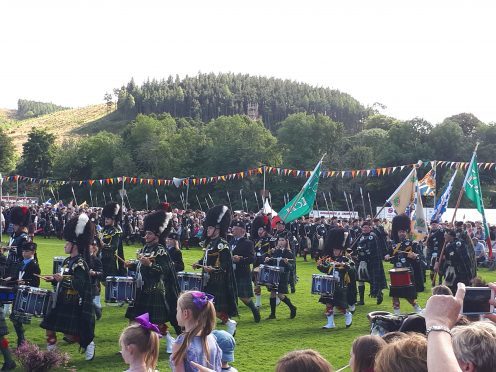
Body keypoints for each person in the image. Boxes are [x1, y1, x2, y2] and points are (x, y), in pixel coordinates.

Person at [40, 213, 96, 361]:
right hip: (61, 299)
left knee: (70, 334)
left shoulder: (80, 264)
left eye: (67, 243)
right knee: (49, 326)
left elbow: (80, 284)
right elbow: (63, 278)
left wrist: (62, 280)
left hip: (72, 302)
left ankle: (88, 343)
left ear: (75, 245)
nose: (65, 245)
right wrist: (53, 279)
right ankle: (51, 355)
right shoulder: (66, 261)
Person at [125, 210, 181, 339]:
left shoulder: (161, 251)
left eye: (149, 233)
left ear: (157, 235)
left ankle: (169, 340)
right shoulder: (145, 248)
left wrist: (149, 265)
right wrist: (132, 264)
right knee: (133, 319)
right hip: (141, 290)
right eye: (146, 233)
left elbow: (164, 270)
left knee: (155, 323)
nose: (146, 236)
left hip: (154, 291)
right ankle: (129, 344)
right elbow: (141, 265)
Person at [192, 206, 238, 335]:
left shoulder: (222, 244)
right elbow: (206, 258)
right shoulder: (210, 243)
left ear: (218, 229)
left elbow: (226, 265)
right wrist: (199, 263)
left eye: (211, 228)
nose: (208, 230)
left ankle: (229, 323)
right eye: (208, 227)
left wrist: (213, 270)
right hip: (207, 279)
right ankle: (208, 329)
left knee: (212, 307)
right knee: (205, 307)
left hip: (217, 280)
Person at [170, 291, 222, 372]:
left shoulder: (181, 343)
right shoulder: (211, 338)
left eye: (177, 310)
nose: (176, 313)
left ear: (185, 313)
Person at [384, 214, 425, 315]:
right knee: (395, 293)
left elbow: (420, 258)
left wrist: (415, 256)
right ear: (397, 233)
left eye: (403, 232)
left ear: (406, 233)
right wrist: (386, 256)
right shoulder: (393, 244)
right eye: (399, 232)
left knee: (407, 294)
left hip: (408, 271)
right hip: (395, 272)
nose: (401, 233)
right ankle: (396, 314)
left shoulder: (412, 244)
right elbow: (388, 254)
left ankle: (417, 308)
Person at [317, 228, 354, 329]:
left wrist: (342, 264)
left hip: (340, 285)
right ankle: (330, 323)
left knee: (339, 305)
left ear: (341, 250)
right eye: (334, 250)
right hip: (329, 285)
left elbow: (351, 268)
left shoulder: (346, 259)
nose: (334, 251)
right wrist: (320, 266)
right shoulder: (330, 259)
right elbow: (326, 270)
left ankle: (348, 314)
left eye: (336, 250)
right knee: (328, 304)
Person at [9, 242, 40, 347]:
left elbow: (36, 283)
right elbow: (16, 276)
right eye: (23, 251)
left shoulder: (34, 265)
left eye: (26, 251)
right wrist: (10, 279)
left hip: (25, 295)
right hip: (17, 293)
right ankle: (21, 342)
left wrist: (26, 283)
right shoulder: (21, 262)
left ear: (33, 252)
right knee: (14, 317)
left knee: (16, 317)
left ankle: (21, 342)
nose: (24, 253)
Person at [229, 220, 260, 323]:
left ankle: (254, 310)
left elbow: (252, 259)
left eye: (235, 228)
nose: (232, 229)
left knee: (243, 297)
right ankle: (229, 317)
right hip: (230, 272)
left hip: (242, 272)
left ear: (242, 231)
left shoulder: (248, 243)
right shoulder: (230, 241)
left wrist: (241, 259)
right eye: (232, 227)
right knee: (230, 294)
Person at [354, 221, 387, 306]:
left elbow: (368, 243)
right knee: (360, 280)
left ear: (370, 228)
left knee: (373, 280)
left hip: (372, 261)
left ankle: (379, 293)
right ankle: (361, 300)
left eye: (366, 227)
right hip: (361, 261)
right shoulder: (359, 236)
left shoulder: (373, 236)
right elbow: (355, 246)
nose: (364, 229)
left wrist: (361, 245)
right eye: (363, 227)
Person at [265, 237, 297, 320]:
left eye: (283, 240)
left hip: (283, 275)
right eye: (279, 240)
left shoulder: (289, 253)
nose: (281, 242)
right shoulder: (276, 251)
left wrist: (287, 263)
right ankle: (272, 314)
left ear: (286, 242)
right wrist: (268, 260)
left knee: (280, 295)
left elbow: (292, 268)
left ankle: (292, 307)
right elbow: (273, 262)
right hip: (274, 274)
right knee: (272, 293)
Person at [436, 230, 475, 294]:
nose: (444, 236)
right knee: (448, 286)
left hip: (458, 270)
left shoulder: (458, 244)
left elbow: (460, 258)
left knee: (454, 286)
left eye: (446, 235)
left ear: (450, 235)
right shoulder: (446, 244)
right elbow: (442, 254)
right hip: (450, 268)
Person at [251, 215, 277, 308]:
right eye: (258, 230)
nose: (259, 231)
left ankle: (276, 297)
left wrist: (272, 253)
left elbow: (274, 251)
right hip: (257, 262)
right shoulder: (256, 239)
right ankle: (258, 302)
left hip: (267, 262)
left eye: (261, 230)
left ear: (265, 230)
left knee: (269, 283)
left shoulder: (271, 239)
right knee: (256, 281)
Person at [99, 202, 125, 277]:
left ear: (114, 219)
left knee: (109, 283)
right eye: (105, 218)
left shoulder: (116, 231)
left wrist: (103, 245)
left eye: (108, 218)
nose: (106, 220)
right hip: (100, 258)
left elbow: (114, 247)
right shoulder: (103, 229)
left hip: (109, 261)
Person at [88, 238, 104, 320]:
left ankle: (97, 309)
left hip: (93, 284)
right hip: (85, 284)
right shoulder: (82, 258)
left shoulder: (96, 260)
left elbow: (101, 273)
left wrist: (94, 273)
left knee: (95, 304)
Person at [426, 219, 445, 286]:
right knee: (432, 268)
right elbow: (428, 244)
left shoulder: (441, 231)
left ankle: (440, 280)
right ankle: (433, 281)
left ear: (437, 224)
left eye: (435, 224)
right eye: (432, 224)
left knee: (441, 268)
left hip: (441, 252)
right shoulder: (429, 233)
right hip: (432, 253)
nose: (433, 225)